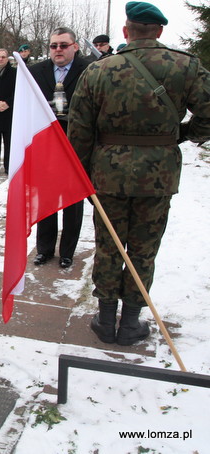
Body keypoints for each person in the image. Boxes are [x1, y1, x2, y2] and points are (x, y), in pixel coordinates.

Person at [68, 1, 210, 346]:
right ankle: (130, 323)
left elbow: (80, 129)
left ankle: (105, 320)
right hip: (158, 175)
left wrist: (83, 172)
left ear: (126, 31)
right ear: (159, 31)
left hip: (108, 174)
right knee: (144, 248)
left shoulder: (99, 70)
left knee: (109, 245)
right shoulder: (186, 66)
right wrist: (181, 135)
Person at [29, 27, 89, 269]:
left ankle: (67, 251)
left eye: (63, 45)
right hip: (46, 146)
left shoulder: (88, 69)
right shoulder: (36, 71)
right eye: (54, 45)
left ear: (74, 46)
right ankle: (44, 249)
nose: (58, 50)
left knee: (73, 202)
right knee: (46, 199)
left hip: (76, 144)